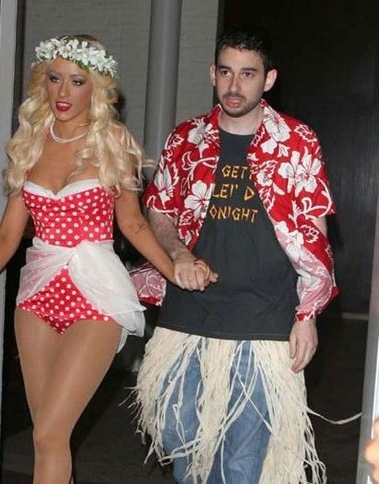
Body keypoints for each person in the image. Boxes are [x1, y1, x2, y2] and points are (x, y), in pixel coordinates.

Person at [0, 34, 211, 484]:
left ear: (96, 88)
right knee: (48, 439)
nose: (63, 92)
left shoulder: (112, 141)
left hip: (96, 295)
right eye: (55, 79)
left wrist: (174, 272)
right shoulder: (31, 142)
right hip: (37, 296)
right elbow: (7, 236)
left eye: (77, 81)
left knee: (49, 433)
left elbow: (134, 224)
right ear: (43, 82)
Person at [132, 27, 338, 483]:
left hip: (263, 321)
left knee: (240, 464)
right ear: (212, 73)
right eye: (226, 72)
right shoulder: (186, 138)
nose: (234, 85)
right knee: (179, 441)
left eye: (248, 74)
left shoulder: (296, 141)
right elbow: (158, 210)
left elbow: (315, 238)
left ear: (269, 79)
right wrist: (178, 253)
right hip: (187, 316)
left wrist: (307, 315)